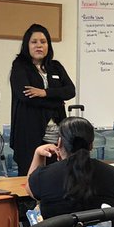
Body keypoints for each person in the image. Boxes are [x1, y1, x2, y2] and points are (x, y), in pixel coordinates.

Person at [9, 23, 76, 175]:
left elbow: (70, 91)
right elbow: (26, 97)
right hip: (29, 133)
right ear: (27, 45)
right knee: (31, 177)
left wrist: (45, 92)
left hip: (57, 134)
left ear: (48, 45)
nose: (39, 45)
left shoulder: (56, 66)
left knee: (56, 176)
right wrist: (57, 99)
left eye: (43, 42)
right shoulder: (20, 66)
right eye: (34, 42)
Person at [25, 116, 114, 218]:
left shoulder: (44, 176)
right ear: (91, 145)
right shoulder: (111, 173)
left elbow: (29, 189)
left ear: (59, 143)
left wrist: (38, 154)